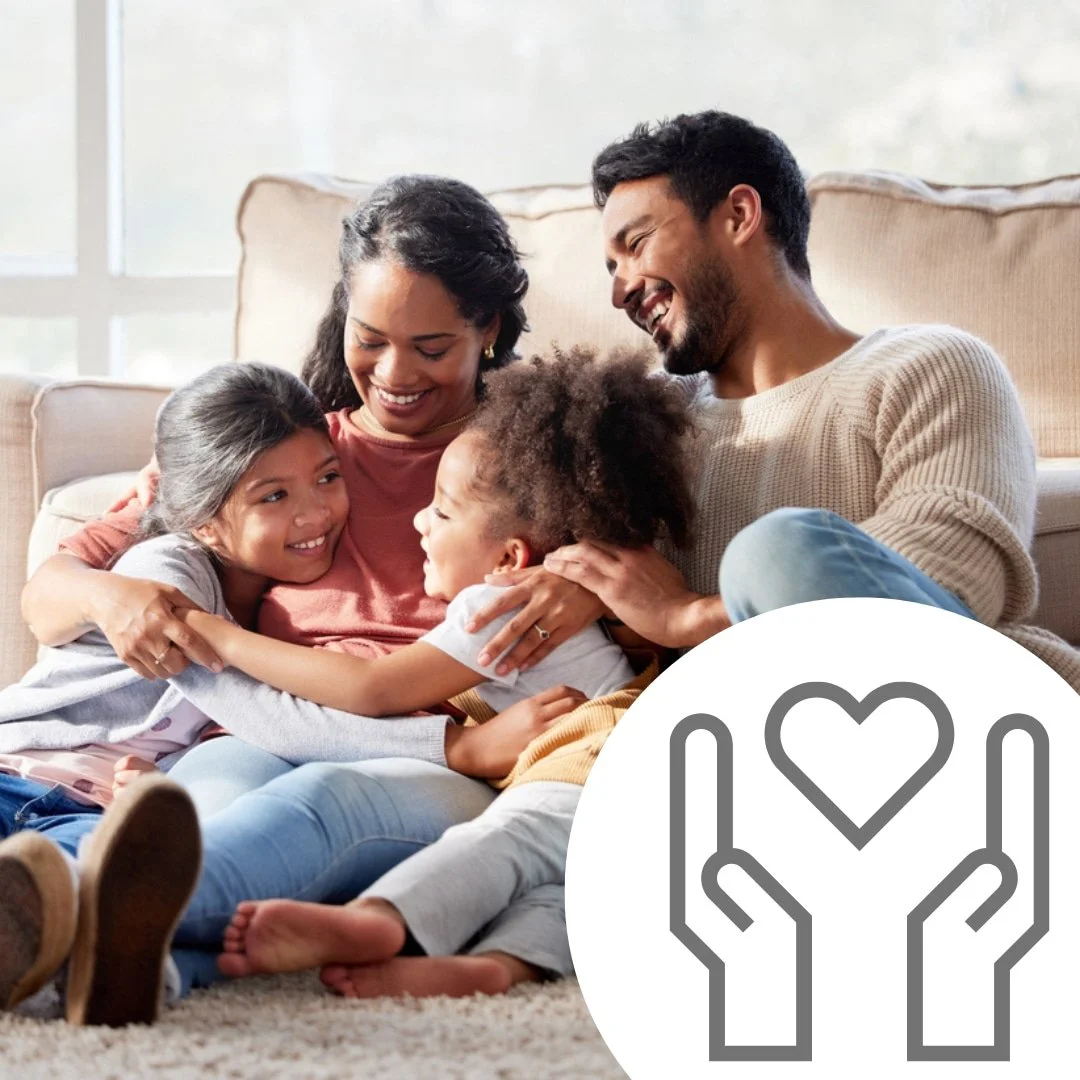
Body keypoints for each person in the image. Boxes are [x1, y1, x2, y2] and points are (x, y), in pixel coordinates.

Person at [18, 175, 597, 1009]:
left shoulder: (525, 456)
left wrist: (588, 586)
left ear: (489, 330)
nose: (394, 375)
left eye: (431, 348)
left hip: (434, 748)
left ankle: (60, 916)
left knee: (320, 803)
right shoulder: (287, 443)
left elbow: (631, 581)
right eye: (371, 339)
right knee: (200, 815)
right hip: (260, 721)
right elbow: (50, 593)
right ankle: (134, 969)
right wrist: (116, 601)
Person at [469, 110, 1080, 692]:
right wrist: (580, 589)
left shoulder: (931, 366)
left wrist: (689, 617)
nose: (620, 290)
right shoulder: (634, 419)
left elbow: (949, 581)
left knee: (776, 551)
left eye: (637, 244)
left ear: (738, 214)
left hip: (967, 716)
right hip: (747, 744)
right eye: (609, 266)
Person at [164, 350, 692, 996]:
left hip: (599, 756)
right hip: (640, 775)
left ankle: (377, 922)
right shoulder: (531, 589)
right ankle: (492, 969)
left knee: (507, 841)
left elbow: (370, 688)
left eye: (440, 513)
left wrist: (224, 638)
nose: (418, 519)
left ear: (508, 556)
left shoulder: (494, 605)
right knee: (567, 880)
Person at [0, 361, 355, 1021]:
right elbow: (259, 710)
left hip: (82, 814)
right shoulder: (170, 576)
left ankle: (37, 950)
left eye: (328, 478)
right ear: (204, 520)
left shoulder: (300, 602)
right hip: (15, 772)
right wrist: (455, 748)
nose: (314, 513)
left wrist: (157, 779)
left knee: (79, 891)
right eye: (273, 496)